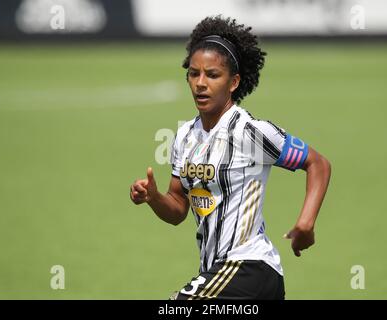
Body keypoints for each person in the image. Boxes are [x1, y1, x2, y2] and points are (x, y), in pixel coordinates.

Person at [129, 16, 331, 300]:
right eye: (193, 73)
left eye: (212, 75)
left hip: (250, 266)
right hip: (219, 274)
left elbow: (318, 163)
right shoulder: (184, 136)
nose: (200, 83)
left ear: (233, 82)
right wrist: (153, 197)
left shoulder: (250, 131)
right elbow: (177, 209)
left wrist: (306, 223)